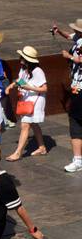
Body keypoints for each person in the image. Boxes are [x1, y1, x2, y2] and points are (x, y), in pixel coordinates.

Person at [50, 16, 82, 174]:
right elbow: (69, 36)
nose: (75, 32)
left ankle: (78, 159)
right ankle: (78, 159)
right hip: (77, 87)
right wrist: (59, 31)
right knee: (75, 121)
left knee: (76, 120)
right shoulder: (78, 38)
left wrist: (69, 57)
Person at [6, 46, 48, 161]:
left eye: (23, 58)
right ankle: (42, 147)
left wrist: (28, 87)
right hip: (27, 99)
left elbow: (44, 88)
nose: (20, 60)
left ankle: (18, 153)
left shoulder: (37, 71)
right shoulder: (24, 69)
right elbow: (20, 81)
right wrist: (11, 86)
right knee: (33, 124)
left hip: (35, 100)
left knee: (25, 125)